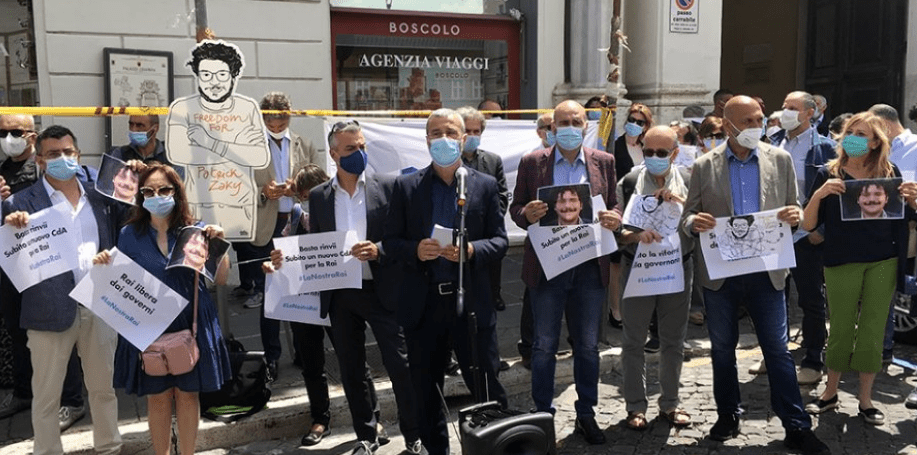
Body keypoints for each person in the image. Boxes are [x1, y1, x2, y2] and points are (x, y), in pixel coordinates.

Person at [682, 96, 829, 454]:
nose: (756, 126)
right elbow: (687, 217)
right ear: (727, 124)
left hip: (767, 272)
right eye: (747, 121)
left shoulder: (779, 159)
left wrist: (795, 217)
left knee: (777, 350)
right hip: (721, 274)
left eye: (759, 119)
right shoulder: (704, 165)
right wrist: (693, 222)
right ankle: (727, 414)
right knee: (722, 349)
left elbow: (794, 209)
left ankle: (796, 425)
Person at [276, 121, 425, 455]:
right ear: (333, 154)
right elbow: (316, 245)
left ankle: (414, 435)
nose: (359, 153)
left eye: (361, 147)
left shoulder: (389, 186)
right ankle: (367, 436)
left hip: (383, 290)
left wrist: (379, 250)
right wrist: (283, 258)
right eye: (350, 149)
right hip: (341, 293)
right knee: (352, 370)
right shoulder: (319, 196)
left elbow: (407, 238)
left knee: (401, 366)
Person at [384, 108, 508, 455]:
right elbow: (390, 242)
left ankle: (493, 446)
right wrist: (414, 250)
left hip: (471, 304)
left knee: (486, 386)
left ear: (463, 138)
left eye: (451, 132)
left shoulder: (483, 185)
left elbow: (500, 241)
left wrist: (471, 250)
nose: (444, 139)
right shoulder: (406, 186)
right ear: (426, 140)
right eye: (436, 133)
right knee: (426, 392)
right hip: (424, 306)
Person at [3, 125, 126, 455]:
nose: (62, 159)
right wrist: (9, 226)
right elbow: (9, 257)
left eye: (68, 152)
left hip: (98, 304)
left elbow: (128, 224)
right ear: (40, 160)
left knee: (103, 389)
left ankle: (110, 448)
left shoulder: (100, 195)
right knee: (46, 397)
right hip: (46, 310)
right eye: (53, 154)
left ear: (78, 155)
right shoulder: (18, 204)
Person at [94, 163, 232, 455]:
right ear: (141, 196)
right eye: (149, 191)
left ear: (176, 192)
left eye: (164, 189)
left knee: (187, 395)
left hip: (191, 322)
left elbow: (221, 278)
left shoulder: (196, 231)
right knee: (157, 397)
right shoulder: (129, 234)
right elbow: (119, 282)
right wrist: (104, 265)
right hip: (149, 323)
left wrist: (218, 243)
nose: (156, 196)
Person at [511, 100, 621, 445]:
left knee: (587, 346)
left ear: (585, 125)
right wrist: (526, 214)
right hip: (548, 268)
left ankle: (586, 413)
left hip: (589, 268)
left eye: (576, 121)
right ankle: (543, 416)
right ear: (551, 128)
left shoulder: (604, 161)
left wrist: (614, 217)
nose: (570, 127)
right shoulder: (532, 162)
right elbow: (516, 208)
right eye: (563, 122)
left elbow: (614, 203)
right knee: (544, 346)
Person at [801, 112, 917, 428]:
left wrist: (913, 200)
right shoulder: (828, 173)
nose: (852, 137)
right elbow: (807, 224)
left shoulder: (890, 173)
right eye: (850, 131)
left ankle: (866, 400)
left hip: (884, 261)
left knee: (873, 330)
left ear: (877, 142)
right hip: (842, 261)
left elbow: (909, 215)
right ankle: (830, 392)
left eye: (861, 133)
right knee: (840, 328)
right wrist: (821, 194)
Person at [0, 116, 88, 431]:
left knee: (60, 330)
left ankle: (72, 400)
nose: (8, 138)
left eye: (15, 131)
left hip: (50, 266)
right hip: (14, 267)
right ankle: (24, 392)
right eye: (2, 132)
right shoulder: (2, 172)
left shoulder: (46, 169)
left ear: (32, 137)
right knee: (18, 330)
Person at [232, 91, 316, 379]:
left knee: (302, 290)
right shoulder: (248, 147)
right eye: (271, 121)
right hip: (267, 227)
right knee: (272, 294)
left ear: (289, 115)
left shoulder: (305, 144)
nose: (277, 126)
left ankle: (304, 351)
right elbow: (236, 188)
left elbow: (319, 184)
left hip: (298, 224)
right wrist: (263, 193)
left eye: (281, 121)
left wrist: (299, 188)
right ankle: (272, 356)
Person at [754, 91, 835, 385]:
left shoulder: (825, 148)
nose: (785, 111)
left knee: (811, 300)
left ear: (810, 113)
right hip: (773, 234)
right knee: (772, 297)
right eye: (784, 106)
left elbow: (837, 192)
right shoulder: (771, 142)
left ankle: (813, 359)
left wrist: (820, 231)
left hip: (805, 236)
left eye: (792, 107)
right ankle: (774, 353)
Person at [616, 126, 694, 430]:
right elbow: (616, 232)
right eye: (648, 151)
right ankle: (635, 407)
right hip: (638, 267)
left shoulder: (688, 180)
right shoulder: (630, 182)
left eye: (661, 153)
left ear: (674, 153)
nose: (653, 157)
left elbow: (702, 221)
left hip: (677, 267)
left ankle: (670, 403)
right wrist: (634, 236)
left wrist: (679, 201)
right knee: (633, 340)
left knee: (674, 340)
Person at [263, 164, 338, 447]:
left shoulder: (337, 212)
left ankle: (370, 418)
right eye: (302, 197)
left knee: (351, 358)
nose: (306, 202)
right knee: (312, 363)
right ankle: (320, 419)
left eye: (309, 195)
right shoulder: (295, 216)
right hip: (303, 301)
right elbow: (283, 253)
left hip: (335, 299)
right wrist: (273, 263)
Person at [166, 40, 270, 240]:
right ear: (197, 76)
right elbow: (178, 153)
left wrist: (208, 142)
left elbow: (259, 157)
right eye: (206, 75)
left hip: (239, 210)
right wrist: (238, 147)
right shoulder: (182, 108)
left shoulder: (247, 108)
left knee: (235, 259)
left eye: (222, 74)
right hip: (198, 209)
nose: (214, 82)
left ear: (233, 75)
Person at [456, 106, 509, 311]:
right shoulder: (449, 160)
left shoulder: (493, 160)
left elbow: (502, 194)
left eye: (476, 131)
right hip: (460, 228)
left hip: (487, 229)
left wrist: (492, 218)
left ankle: (494, 295)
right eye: (467, 131)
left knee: (492, 267)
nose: (471, 135)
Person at [109, 115, 184, 178]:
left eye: (140, 125)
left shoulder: (171, 155)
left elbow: (179, 185)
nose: (134, 129)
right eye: (131, 124)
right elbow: (110, 184)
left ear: (155, 129)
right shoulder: (120, 153)